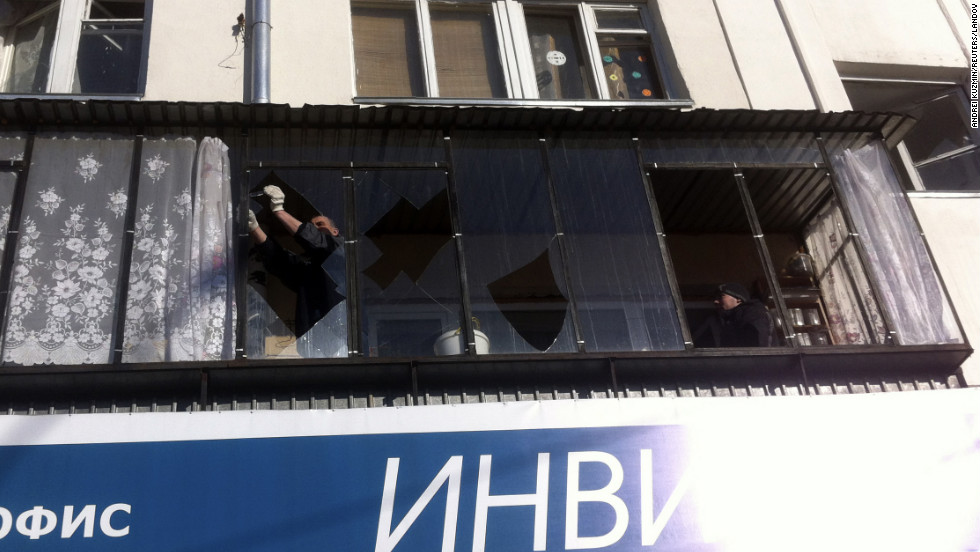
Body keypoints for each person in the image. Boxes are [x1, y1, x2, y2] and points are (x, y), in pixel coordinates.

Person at [248, 184, 344, 338]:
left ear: (335, 231)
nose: (315, 229)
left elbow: (318, 241)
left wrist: (279, 210)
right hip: (313, 344)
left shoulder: (343, 251)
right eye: (312, 226)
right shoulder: (307, 267)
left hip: (344, 340)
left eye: (320, 225)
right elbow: (279, 260)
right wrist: (254, 227)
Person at [693, 283, 774, 348]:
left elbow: (758, 350)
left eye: (721, 296)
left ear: (739, 299)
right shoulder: (726, 318)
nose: (716, 301)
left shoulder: (754, 314)